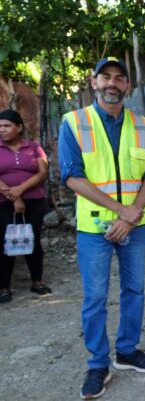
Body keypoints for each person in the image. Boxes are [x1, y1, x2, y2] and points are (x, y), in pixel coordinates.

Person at [58, 58, 145, 399]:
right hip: (94, 228)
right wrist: (122, 211)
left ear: (128, 86)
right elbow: (72, 177)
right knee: (96, 297)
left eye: (120, 78)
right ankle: (97, 363)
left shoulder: (143, 124)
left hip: (133, 226)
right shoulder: (73, 122)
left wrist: (130, 216)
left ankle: (127, 351)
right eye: (106, 77)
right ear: (94, 82)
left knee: (135, 290)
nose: (112, 83)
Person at [0, 109, 49, 303]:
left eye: (7, 126)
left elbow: (42, 172)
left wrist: (20, 189)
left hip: (34, 201)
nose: (2, 130)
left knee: (33, 239)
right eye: (0, 126)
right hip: (3, 202)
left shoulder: (34, 148)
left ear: (19, 127)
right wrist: (13, 197)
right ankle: (4, 287)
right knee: (4, 242)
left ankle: (37, 281)